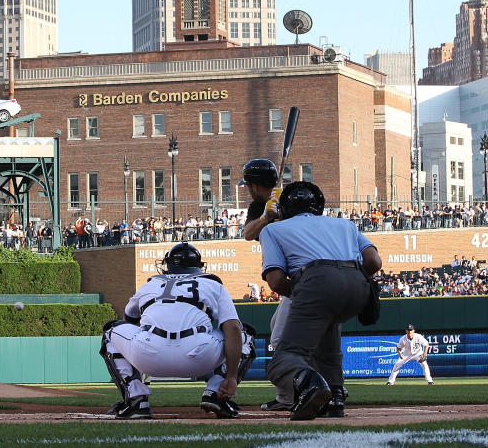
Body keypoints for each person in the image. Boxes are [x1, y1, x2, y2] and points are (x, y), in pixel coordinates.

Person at [259, 181, 382, 421]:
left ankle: (311, 385)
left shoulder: (272, 229)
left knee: (282, 360)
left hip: (315, 279)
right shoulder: (345, 224)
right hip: (358, 283)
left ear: (285, 208)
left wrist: (307, 293)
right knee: (328, 346)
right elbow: (374, 262)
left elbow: (275, 281)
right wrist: (348, 282)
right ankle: (336, 396)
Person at [99, 242, 256, 419]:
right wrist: (232, 376)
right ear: (199, 267)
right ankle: (215, 393)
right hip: (199, 355)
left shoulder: (151, 283)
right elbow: (233, 329)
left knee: (110, 332)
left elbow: (129, 318)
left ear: (168, 265)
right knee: (245, 334)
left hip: (149, 354)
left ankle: (136, 400)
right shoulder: (213, 284)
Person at [237, 158, 292, 412]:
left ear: (256, 184)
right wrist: (266, 216)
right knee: (276, 328)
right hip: (292, 283)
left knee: (281, 336)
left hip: (298, 277)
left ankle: (289, 396)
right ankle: (326, 390)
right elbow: (248, 233)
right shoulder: (260, 205)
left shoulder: (291, 199)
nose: (247, 189)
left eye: (249, 184)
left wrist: (283, 212)